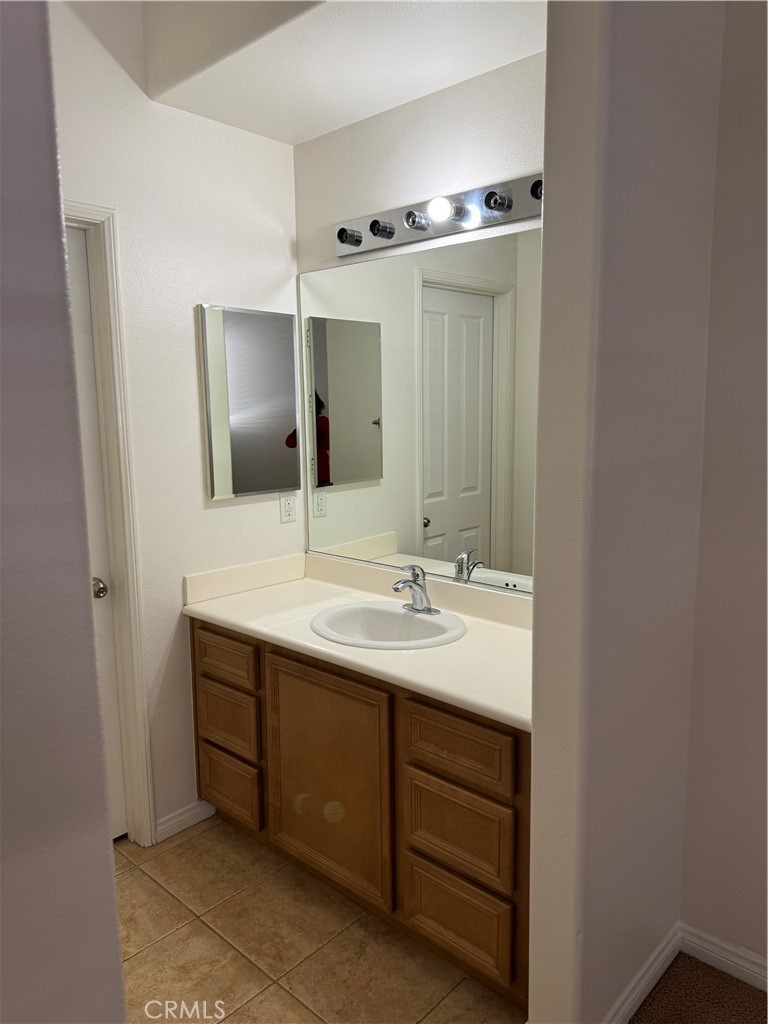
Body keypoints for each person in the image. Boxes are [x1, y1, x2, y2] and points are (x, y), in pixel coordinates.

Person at [286, 391, 331, 486]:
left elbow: (328, 445)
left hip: (320, 470)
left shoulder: (322, 421)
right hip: (311, 470)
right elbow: (289, 443)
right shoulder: (307, 423)